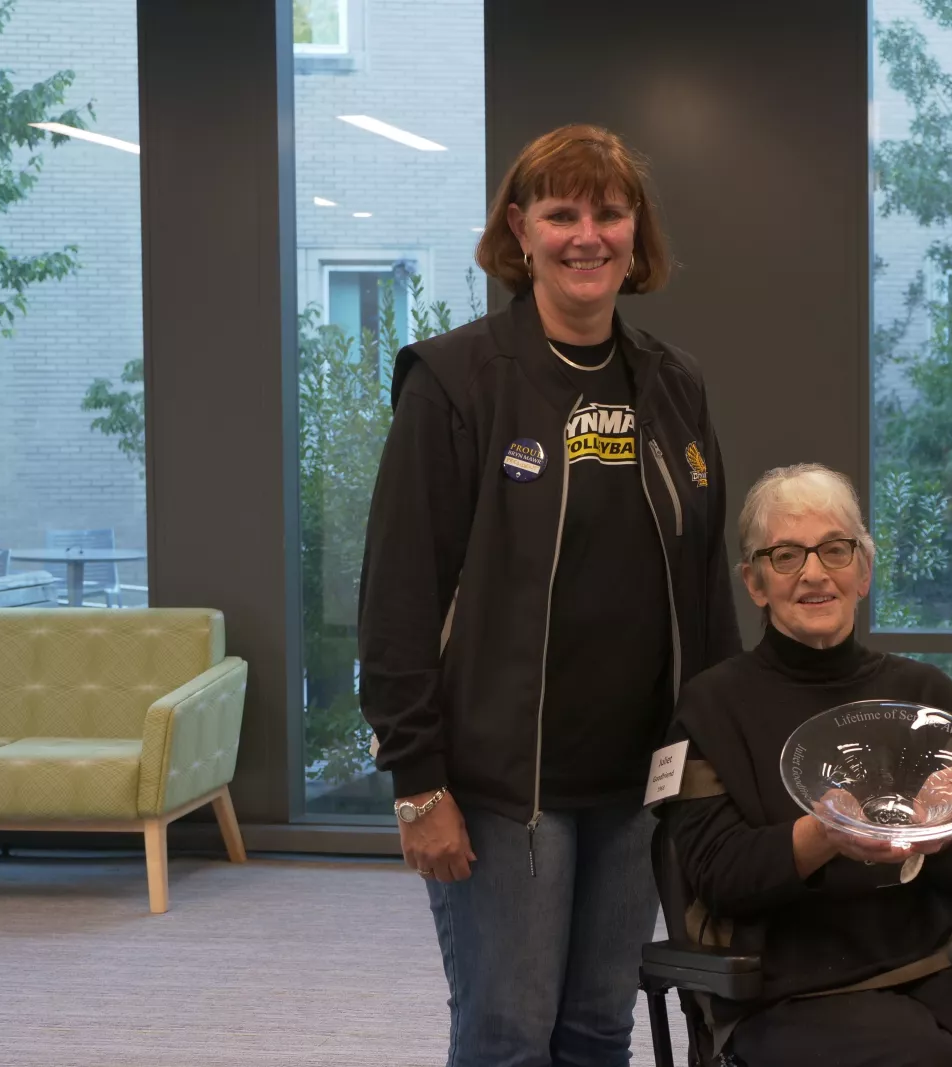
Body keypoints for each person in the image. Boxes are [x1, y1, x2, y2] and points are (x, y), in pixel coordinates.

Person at [358, 123, 742, 1067]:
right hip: (500, 788)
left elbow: (703, 596)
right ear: (518, 232)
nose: (587, 235)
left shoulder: (673, 385)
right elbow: (398, 595)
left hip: (638, 784)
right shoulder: (455, 381)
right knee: (508, 1035)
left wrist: (724, 765)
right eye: (561, 213)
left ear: (635, 234)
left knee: (598, 1029)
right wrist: (418, 784)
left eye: (609, 213)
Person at [659, 464, 952, 1067]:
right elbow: (719, 879)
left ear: (863, 571)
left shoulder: (926, 694)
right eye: (787, 555)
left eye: (835, 550)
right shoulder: (709, 708)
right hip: (796, 983)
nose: (815, 573)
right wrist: (818, 838)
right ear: (755, 581)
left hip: (943, 953)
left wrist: (947, 827)